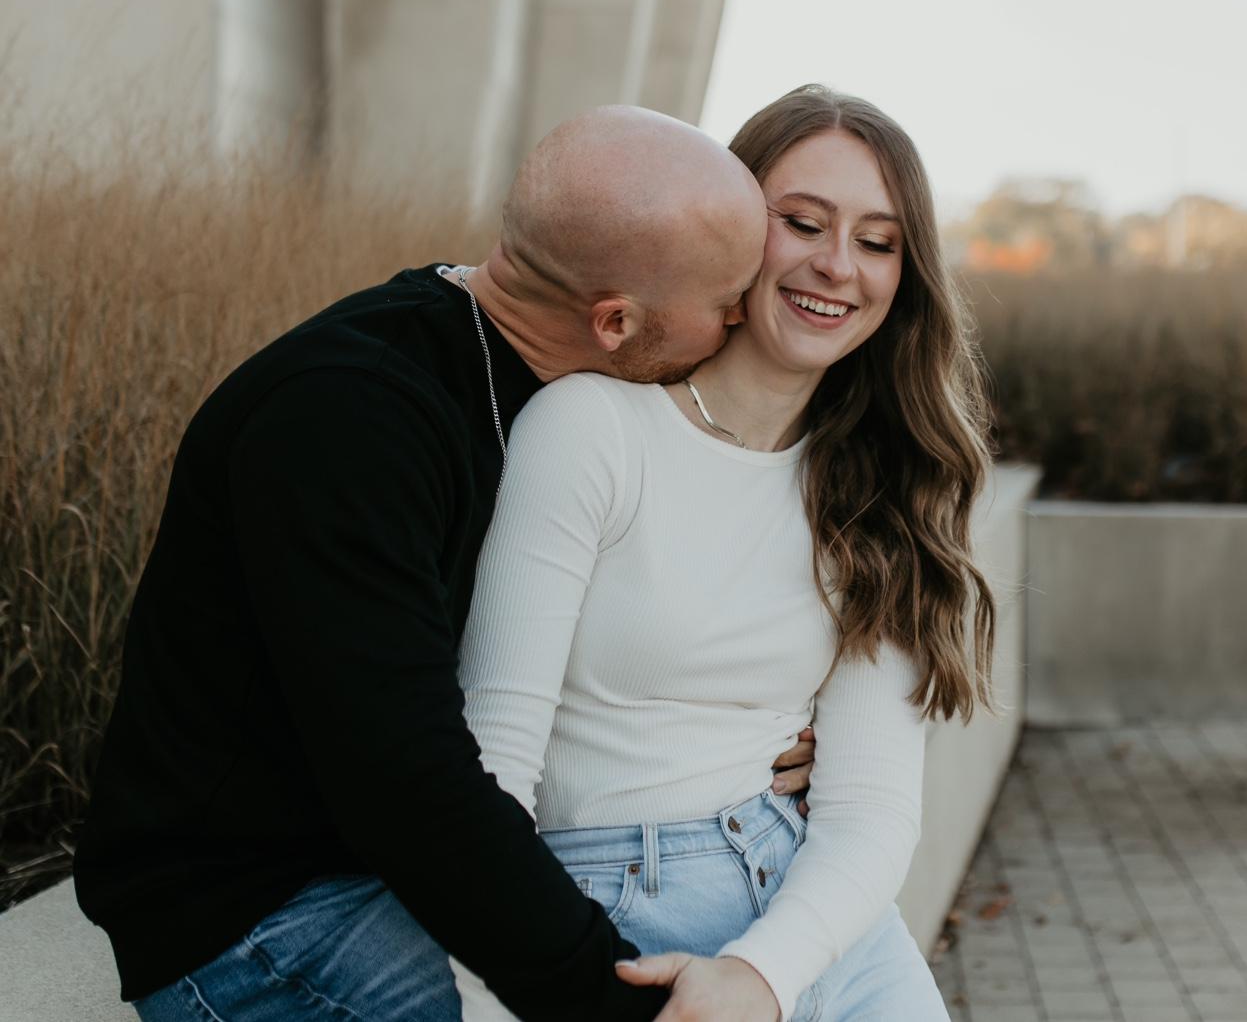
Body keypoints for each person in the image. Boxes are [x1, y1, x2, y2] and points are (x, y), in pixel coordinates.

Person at [73, 105, 821, 1022]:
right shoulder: (347, 420)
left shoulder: (555, 385)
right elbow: (406, 781)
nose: (743, 318)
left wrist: (779, 733)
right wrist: (615, 1002)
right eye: (726, 301)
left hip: (412, 858)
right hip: (264, 913)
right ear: (617, 321)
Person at [453, 85, 996, 1021]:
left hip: (823, 924)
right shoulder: (593, 432)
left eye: (877, 242)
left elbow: (869, 807)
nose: (837, 266)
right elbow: (492, 762)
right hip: (617, 913)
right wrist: (491, 990)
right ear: (735, 227)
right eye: (803, 224)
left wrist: (763, 974)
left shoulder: (884, 486)